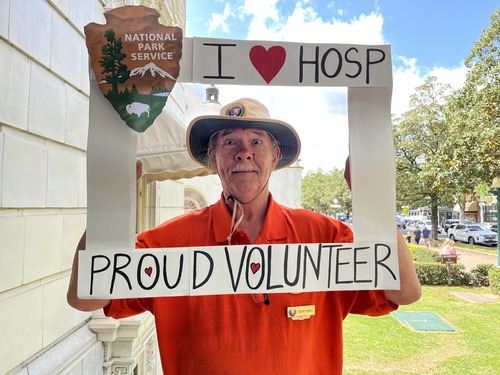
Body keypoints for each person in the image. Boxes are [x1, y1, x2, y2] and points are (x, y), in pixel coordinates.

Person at [68, 98, 421, 374]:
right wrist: (107, 205)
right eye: (229, 142)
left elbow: (404, 292)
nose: (244, 152)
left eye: (257, 141)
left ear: (275, 156)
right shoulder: (169, 242)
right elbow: (85, 298)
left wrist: (376, 200)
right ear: (213, 156)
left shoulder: (324, 235)